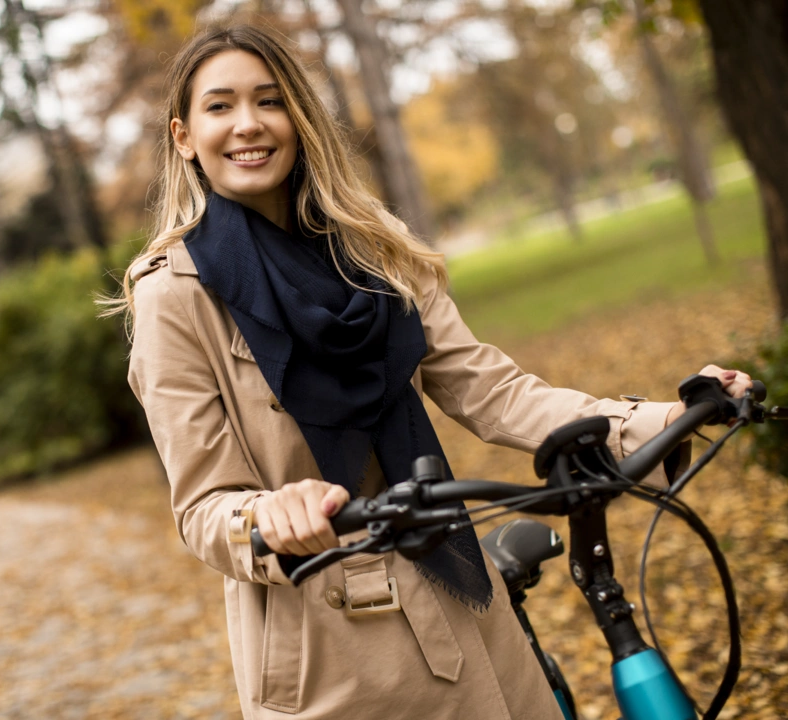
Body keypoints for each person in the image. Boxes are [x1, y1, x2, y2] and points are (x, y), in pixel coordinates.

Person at [111, 23, 753, 719]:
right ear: (184, 136)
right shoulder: (172, 294)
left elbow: (489, 390)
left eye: (269, 101)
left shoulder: (369, 246)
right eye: (220, 106)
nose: (248, 125)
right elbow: (204, 510)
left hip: (461, 598)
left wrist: (658, 417)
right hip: (331, 653)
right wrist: (268, 513)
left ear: (297, 117)